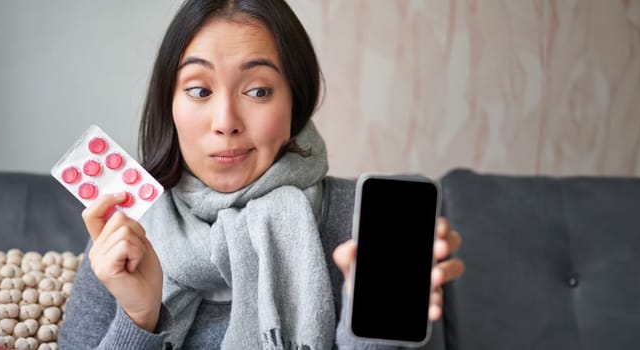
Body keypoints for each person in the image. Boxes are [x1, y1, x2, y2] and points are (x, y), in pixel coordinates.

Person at [58, 0, 465, 349]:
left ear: (295, 103)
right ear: (170, 106)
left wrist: (372, 327)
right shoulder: (125, 232)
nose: (226, 122)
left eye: (258, 91)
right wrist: (138, 316)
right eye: (199, 90)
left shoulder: (366, 225)